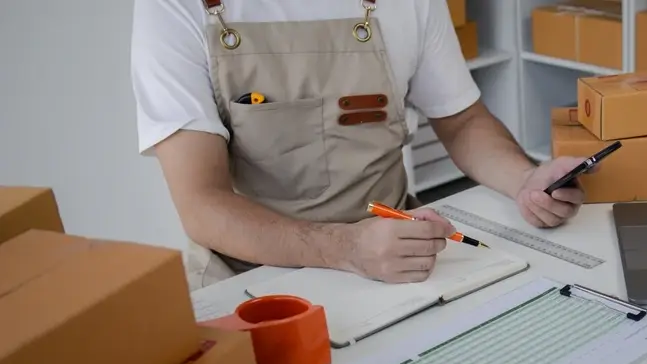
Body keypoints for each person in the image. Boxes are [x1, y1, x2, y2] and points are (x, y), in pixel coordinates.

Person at [130, 0, 590, 290]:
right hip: (249, 277)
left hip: (398, 256)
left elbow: (464, 121)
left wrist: (526, 179)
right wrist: (346, 248)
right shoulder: (175, 6)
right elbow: (201, 202)